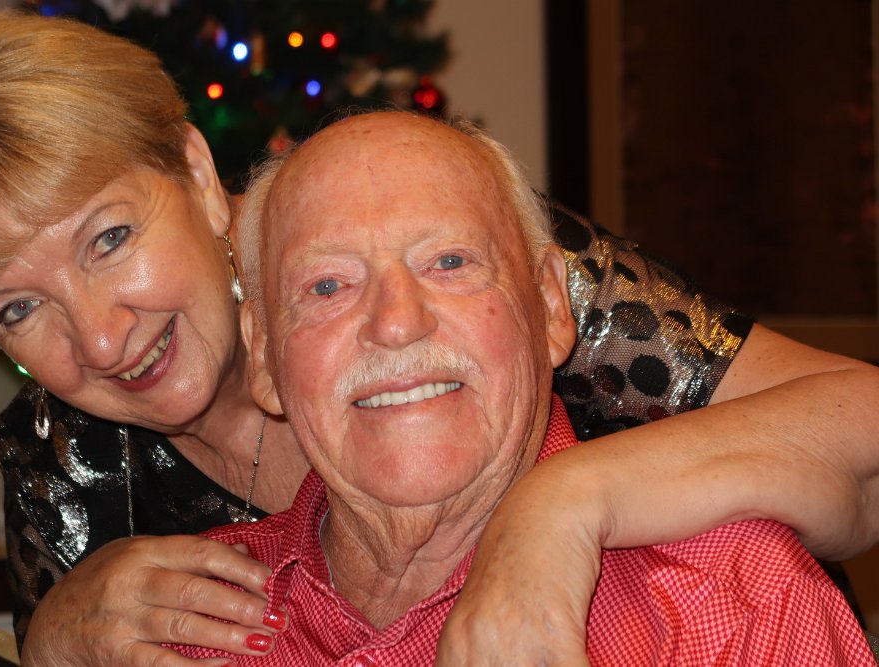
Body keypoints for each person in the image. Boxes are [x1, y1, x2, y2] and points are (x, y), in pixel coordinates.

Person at [0, 10, 877, 666]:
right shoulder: (59, 459)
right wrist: (51, 636)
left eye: (109, 239)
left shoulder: (471, 248)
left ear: (193, 171)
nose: (99, 338)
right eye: (17, 309)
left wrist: (559, 508)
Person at [170, 109, 875, 665]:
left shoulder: (733, 601)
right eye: (328, 285)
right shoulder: (173, 623)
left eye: (450, 261)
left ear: (550, 304)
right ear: (263, 355)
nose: (395, 323)